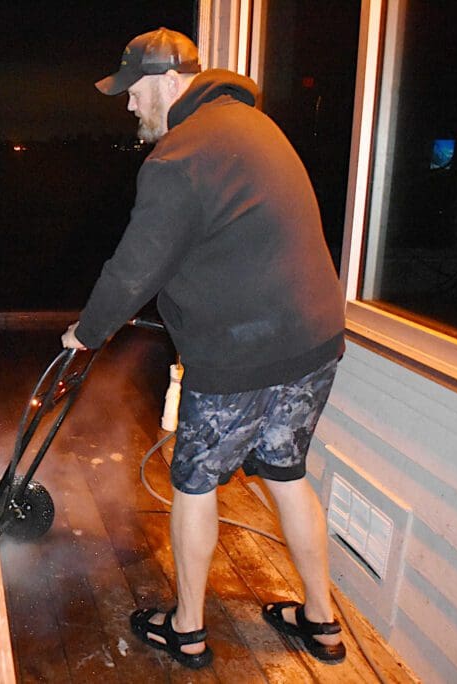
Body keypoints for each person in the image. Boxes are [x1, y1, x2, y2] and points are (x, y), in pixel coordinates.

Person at [61, 27, 347, 669]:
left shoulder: (177, 159)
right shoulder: (255, 127)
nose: (129, 106)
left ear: (164, 80)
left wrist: (85, 332)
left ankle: (186, 628)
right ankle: (321, 620)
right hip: (315, 341)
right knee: (286, 469)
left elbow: (134, 271)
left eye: (132, 92)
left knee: (194, 482)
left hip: (241, 353)